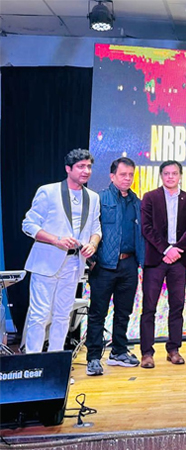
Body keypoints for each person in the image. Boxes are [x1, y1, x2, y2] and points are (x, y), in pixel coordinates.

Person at [22, 149, 101, 354]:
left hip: (74, 264)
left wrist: (92, 244)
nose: (86, 171)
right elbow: (28, 225)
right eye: (81, 166)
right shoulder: (48, 191)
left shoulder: (93, 197)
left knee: (63, 315)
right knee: (40, 315)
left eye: (89, 167)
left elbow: (96, 229)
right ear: (68, 169)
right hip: (46, 262)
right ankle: (33, 363)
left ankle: (55, 364)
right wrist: (56, 240)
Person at [85, 157, 144, 376]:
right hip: (104, 265)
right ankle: (93, 357)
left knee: (124, 312)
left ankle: (118, 352)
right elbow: (89, 229)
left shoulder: (137, 202)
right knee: (97, 313)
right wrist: (92, 260)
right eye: (123, 174)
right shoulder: (99, 199)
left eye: (130, 175)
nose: (127, 178)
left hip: (129, 264)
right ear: (112, 176)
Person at [140, 160, 186, 368]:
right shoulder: (150, 197)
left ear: (180, 176)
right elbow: (146, 228)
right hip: (156, 259)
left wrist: (177, 250)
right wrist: (166, 249)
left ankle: (173, 349)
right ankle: (147, 353)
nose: (171, 177)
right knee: (149, 307)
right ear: (161, 175)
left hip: (178, 260)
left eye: (174, 173)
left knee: (177, 306)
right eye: (166, 173)